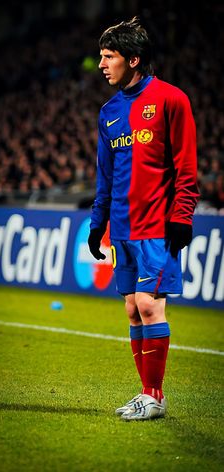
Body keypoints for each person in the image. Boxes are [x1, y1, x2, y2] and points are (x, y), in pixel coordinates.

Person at [88, 16, 199, 421]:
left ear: (133, 60)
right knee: (133, 309)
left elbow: (187, 166)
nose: (101, 64)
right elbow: (105, 174)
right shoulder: (109, 112)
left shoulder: (171, 99)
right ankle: (149, 394)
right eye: (101, 56)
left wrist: (182, 215)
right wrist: (98, 223)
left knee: (151, 305)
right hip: (122, 227)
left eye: (108, 56)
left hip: (156, 225)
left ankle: (153, 396)